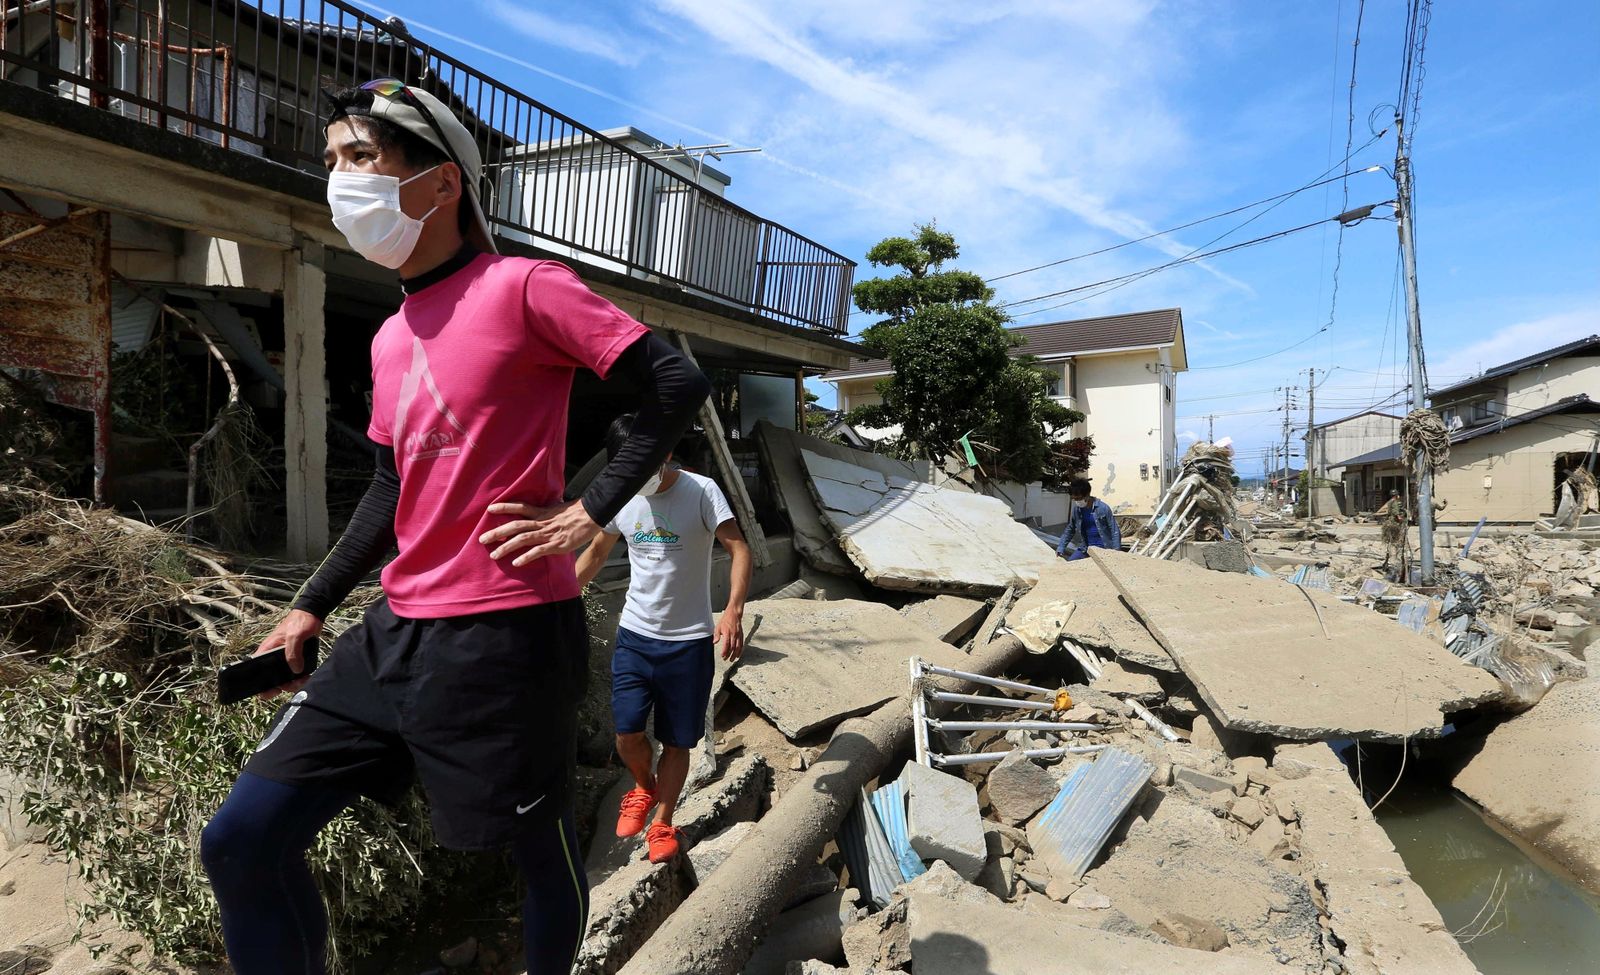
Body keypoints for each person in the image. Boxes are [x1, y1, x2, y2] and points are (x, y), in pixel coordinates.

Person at [199, 79, 710, 975]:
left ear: (441, 183)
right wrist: (313, 603)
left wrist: (588, 509)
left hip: (507, 636)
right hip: (393, 632)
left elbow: (675, 383)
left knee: (537, 855)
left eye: (362, 157)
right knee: (240, 839)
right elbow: (390, 487)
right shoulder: (390, 335)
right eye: (332, 161)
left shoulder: (525, 287)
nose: (341, 179)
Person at [574, 414, 751, 863]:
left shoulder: (702, 491)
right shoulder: (622, 496)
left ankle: (663, 821)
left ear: (666, 453)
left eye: (643, 466)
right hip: (635, 636)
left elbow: (739, 548)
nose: (636, 478)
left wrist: (733, 610)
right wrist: (557, 601)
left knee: (678, 741)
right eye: (627, 469)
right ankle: (643, 785)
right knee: (626, 735)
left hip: (688, 643)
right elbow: (595, 552)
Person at [1057, 478, 1121, 560]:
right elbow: (1070, 529)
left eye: (1079, 498)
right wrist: (1061, 547)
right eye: (1074, 499)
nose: (1077, 501)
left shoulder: (1103, 508)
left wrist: (1116, 552)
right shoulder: (1077, 510)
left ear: (1087, 495)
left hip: (1104, 549)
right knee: (1071, 563)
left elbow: (1114, 530)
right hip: (1086, 549)